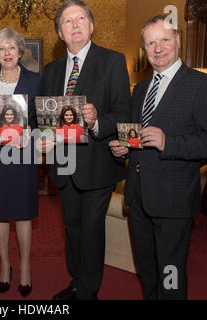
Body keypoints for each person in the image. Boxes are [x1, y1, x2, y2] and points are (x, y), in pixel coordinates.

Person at [109, 15, 207, 299]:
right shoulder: (139, 90)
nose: (158, 48)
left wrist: (169, 142)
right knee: (147, 269)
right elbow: (139, 136)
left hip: (173, 201)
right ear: (145, 48)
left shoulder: (202, 85)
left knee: (171, 272)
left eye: (164, 40)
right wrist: (126, 147)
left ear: (177, 41)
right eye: (151, 42)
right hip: (138, 198)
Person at [42, 0, 130, 300]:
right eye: (67, 21)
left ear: (91, 26)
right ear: (59, 32)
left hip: (97, 163)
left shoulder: (114, 61)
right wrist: (43, 136)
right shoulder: (50, 70)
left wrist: (95, 122)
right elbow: (44, 117)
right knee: (73, 228)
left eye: (81, 18)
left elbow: (123, 113)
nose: (75, 24)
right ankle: (78, 282)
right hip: (63, 165)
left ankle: (88, 293)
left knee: (92, 230)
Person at [0, 27, 42, 298]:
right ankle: (5, 265)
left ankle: (25, 266)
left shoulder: (36, 80)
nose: (7, 53)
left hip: (23, 155)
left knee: (24, 212)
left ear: (20, 51)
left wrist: (29, 135)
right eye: (1, 48)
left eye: (12, 48)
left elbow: (41, 119)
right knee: (0, 213)